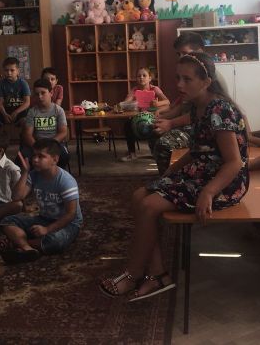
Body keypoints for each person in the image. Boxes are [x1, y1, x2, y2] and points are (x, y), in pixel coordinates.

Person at [100, 52, 249, 301]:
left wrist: (208, 193)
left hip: (224, 182)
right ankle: (157, 274)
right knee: (138, 196)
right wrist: (173, 169)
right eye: (178, 78)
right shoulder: (199, 106)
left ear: (206, 82)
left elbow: (234, 162)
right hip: (202, 171)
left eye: (187, 79)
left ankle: (134, 273)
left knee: (149, 205)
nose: (179, 84)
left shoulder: (219, 109)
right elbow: (200, 148)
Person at [0, 139, 82, 264]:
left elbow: (71, 214)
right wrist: (25, 172)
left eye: (41, 156)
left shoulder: (66, 181)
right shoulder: (34, 175)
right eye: (34, 156)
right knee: (7, 221)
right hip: (44, 218)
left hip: (69, 224)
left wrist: (47, 230)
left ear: (55, 159)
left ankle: (17, 243)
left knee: (56, 242)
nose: (35, 160)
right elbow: (16, 197)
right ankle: (28, 249)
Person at [150, 32, 205, 174]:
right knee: (153, 129)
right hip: (187, 124)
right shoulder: (188, 72)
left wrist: (170, 123)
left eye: (185, 53)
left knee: (164, 144)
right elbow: (182, 106)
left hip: (202, 128)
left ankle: (169, 179)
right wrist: (163, 118)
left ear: (200, 51)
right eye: (178, 54)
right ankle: (167, 174)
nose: (181, 58)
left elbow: (201, 114)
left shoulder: (207, 77)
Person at [120, 67, 169, 162]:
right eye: (139, 76)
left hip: (152, 117)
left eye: (144, 75)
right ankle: (132, 154)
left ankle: (156, 152)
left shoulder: (155, 89)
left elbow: (167, 101)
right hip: (138, 118)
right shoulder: (135, 90)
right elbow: (125, 103)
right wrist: (132, 101)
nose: (141, 78)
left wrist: (157, 104)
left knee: (157, 126)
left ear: (149, 78)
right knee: (127, 125)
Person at [20, 78, 69, 169]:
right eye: (37, 94)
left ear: (51, 93)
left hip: (54, 143)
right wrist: (38, 147)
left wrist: (49, 145)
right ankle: (33, 176)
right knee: (22, 157)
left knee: (63, 156)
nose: (40, 96)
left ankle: (56, 175)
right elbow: (28, 134)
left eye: (43, 93)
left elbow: (63, 132)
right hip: (36, 144)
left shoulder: (59, 110)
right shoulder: (32, 112)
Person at [0, 57, 31, 130]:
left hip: (20, 110)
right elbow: (0, 103)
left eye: (12, 70)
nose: (9, 73)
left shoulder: (23, 83)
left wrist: (16, 112)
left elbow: (27, 102)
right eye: (6, 70)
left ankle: (23, 137)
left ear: (18, 71)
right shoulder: (1, 84)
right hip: (6, 110)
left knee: (25, 122)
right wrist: (5, 114)